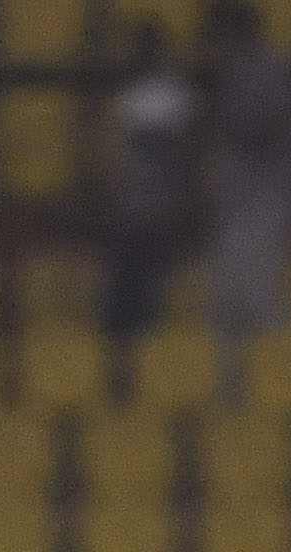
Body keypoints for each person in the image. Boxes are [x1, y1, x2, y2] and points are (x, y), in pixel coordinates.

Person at [198, 0, 291, 382]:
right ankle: (235, 398)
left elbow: (256, 127)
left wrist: (212, 109)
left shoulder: (263, 72)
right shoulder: (233, 75)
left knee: (257, 304)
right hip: (235, 209)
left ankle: (285, 388)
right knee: (225, 311)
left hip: (261, 206)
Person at [102, 19, 200, 339]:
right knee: (128, 269)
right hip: (132, 204)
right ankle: (126, 327)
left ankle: (146, 332)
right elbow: (117, 152)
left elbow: (183, 153)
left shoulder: (177, 96)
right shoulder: (127, 95)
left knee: (153, 271)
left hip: (159, 203)